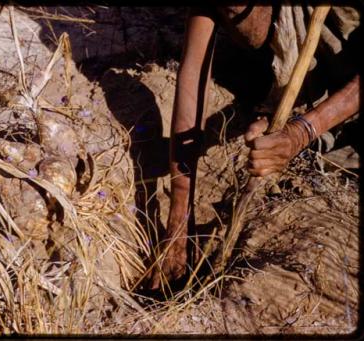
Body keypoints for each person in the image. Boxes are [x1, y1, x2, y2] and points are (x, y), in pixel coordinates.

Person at [148, 3, 361, 290]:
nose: (231, 12)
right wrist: (178, 219)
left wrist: (301, 131)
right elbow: (194, 69)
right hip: (297, 57)